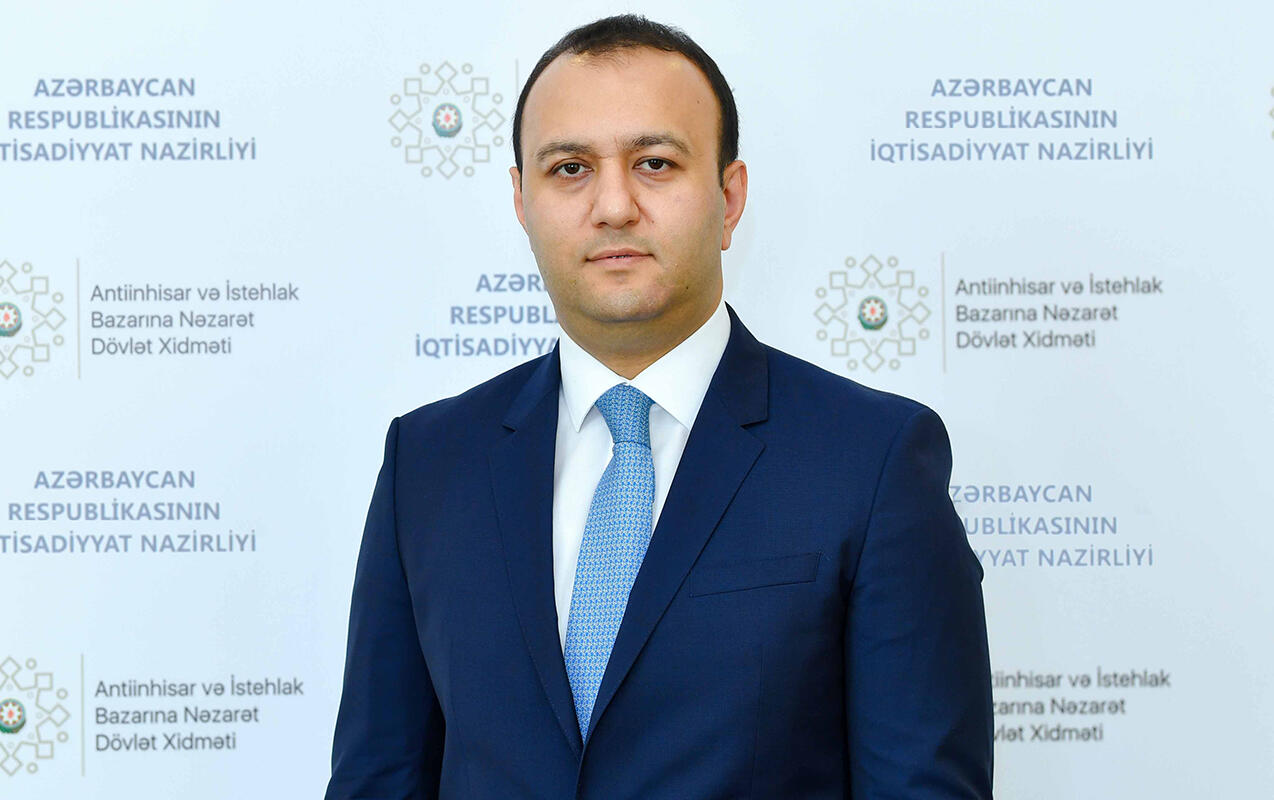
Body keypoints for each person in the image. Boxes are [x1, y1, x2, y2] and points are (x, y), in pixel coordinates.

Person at [326, 14, 992, 799]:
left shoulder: (871, 461)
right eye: (569, 168)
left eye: (654, 163)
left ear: (729, 198)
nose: (613, 205)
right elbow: (378, 779)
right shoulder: (429, 464)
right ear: (521, 200)